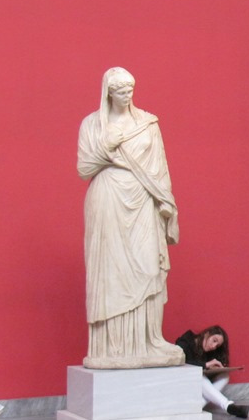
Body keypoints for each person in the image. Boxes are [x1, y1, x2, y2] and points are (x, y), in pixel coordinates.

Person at [78, 67, 185, 369]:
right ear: (108, 93)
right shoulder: (92, 124)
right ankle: (111, 347)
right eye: (121, 91)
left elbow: (160, 167)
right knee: (111, 271)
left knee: (149, 266)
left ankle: (150, 340)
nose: (127, 96)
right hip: (108, 200)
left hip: (143, 200)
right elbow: (84, 168)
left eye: (130, 90)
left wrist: (166, 200)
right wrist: (107, 146)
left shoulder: (147, 123)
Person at [175, 326, 249, 418]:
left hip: (198, 387)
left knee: (225, 376)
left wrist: (215, 369)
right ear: (207, 334)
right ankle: (228, 406)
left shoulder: (209, 352)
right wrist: (206, 364)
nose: (214, 346)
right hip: (182, 385)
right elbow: (180, 362)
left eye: (217, 346)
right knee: (199, 375)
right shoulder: (185, 342)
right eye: (214, 340)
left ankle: (196, 406)